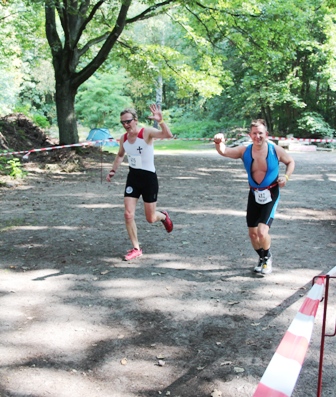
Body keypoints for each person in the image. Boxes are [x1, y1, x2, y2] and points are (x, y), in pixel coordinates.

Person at [214, 119, 295, 275]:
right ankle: (263, 257)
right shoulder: (245, 151)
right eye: (254, 133)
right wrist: (219, 142)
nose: (258, 136)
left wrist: (286, 177)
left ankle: (267, 258)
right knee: (252, 234)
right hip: (254, 194)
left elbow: (290, 161)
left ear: (266, 134)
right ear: (249, 135)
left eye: (260, 133)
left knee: (262, 232)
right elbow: (224, 151)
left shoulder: (275, 150)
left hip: (271, 193)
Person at [106, 104, 173, 261]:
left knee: (150, 218)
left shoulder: (146, 132)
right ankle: (136, 248)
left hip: (149, 178)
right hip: (133, 178)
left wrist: (161, 120)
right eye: (122, 123)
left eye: (128, 121)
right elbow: (120, 155)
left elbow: (168, 135)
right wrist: (113, 170)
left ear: (135, 120)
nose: (126, 125)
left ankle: (163, 216)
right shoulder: (123, 138)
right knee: (128, 214)